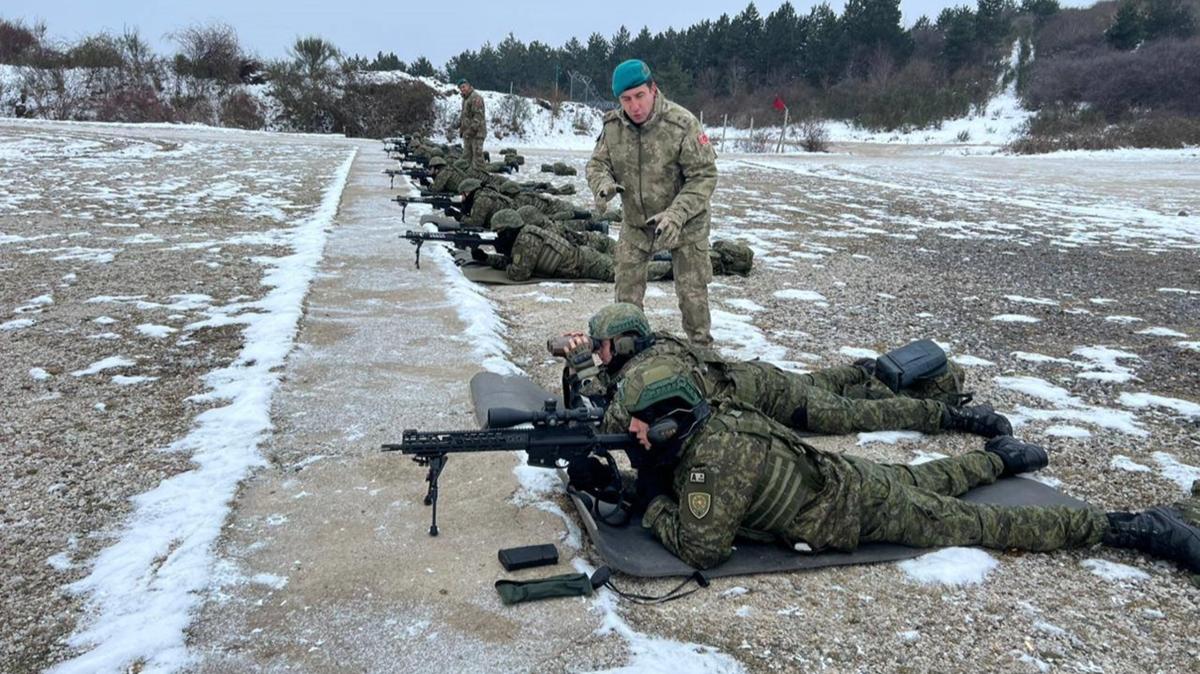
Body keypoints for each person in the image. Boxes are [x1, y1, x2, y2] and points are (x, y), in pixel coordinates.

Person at [607, 358, 1200, 574]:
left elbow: (701, 545)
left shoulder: (714, 460)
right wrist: (631, 476)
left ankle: (1128, 527)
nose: (633, 433)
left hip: (848, 510)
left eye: (639, 424)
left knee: (976, 525)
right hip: (839, 480)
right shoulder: (711, 424)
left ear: (668, 422)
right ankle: (994, 459)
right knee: (921, 477)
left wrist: (651, 502)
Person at [563, 303, 1011, 438]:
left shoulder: (650, 370)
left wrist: (584, 368)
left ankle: (950, 413)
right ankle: (866, 373)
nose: (598, 353)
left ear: (623, 345)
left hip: (771, 400)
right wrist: (589, 364)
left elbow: (616, 416)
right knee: (824, 383)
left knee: (858, 415)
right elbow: (618, 384)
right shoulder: (649, 349)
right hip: (756, 378)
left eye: (601, 346)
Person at [587, 59, 718, 345]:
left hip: (685, 225)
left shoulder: (682, 124)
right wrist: (603, 186)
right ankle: (629, 352)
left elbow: (704, 176)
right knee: (625, 297)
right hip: (637, 223)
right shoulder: (612, 126)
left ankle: (704, 361)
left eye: (639, 96)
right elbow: (597, 165)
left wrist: (677, 214)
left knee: (692, 296)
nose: (634, 106)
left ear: (653, 89)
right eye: (626, 99)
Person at [457, 78, 487, 168]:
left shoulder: (475, 98)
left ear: (468, 86)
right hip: (468, 134)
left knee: (477, 159)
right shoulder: (465, 99)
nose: (462, 89)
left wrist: (471, 130)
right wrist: (462, 129)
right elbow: (465, 116)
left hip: (477, 133)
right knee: (466, 157)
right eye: (460, 88)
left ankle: (482, 178)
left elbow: (478, 116)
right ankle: (469, 177)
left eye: (464, 87)